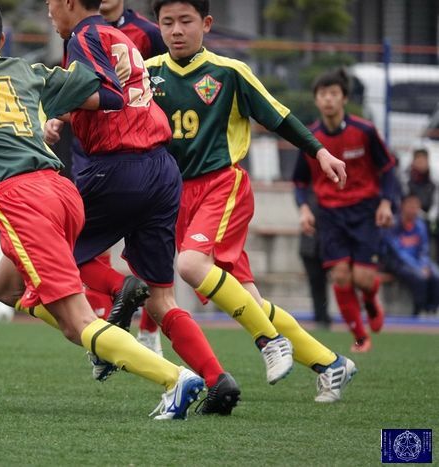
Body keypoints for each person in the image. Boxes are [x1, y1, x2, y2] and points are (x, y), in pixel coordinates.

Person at [0, 0, 206, 420]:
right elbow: (87, 84)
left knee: (76, 321)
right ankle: (100, 334)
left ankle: (174, 378)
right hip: (62, 190)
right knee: (4, 287)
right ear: (2, 41)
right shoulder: (28, 71)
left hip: (21, 199)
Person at [143, 0, 356, 402]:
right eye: (167, 22)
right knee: (250, 299)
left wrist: (320, 152)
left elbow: (277, 116)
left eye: (186, 21)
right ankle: (332, 364)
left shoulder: (229, 72)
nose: (176, 30)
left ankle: (269, 342)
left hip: (223, 185)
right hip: (177, 198)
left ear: (206, 24)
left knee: (190, 265)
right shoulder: (148, 74)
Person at [43, 0, 168, 357]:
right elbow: (125, 94)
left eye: (50, 2)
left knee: (57, 248)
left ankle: (116, 304)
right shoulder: (114, 34)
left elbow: (112, 96)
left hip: (118, 161)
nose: (48, 11)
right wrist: (63, 114)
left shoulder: (87, 36)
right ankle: (215, 378)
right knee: (164, 293)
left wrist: (52, 96)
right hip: (155, 161)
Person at [293, 68, 396, 353]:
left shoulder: (364, 131)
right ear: (316, 100)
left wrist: (387, 202)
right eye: (322, 94)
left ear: (344, 98)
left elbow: (387, 168)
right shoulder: (309, 138)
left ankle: (371, 302)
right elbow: (300, 180)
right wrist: (304, 208)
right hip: (329, 213)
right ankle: (360, 337)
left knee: (362, 279)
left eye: (334, 94)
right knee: (340, 276)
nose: (328, 99)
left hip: (364, 211)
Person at [382, 194, 439, 316]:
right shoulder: (393, 224)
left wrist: (423, 265)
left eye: (416, 206)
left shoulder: (420, 225)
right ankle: (419, 310)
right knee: (418, 277)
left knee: (435, 274)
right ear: (402, 206)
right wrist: (418, 268)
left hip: (419, 262)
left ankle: (432, 309)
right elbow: (398, 252)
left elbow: (424, 249)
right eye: (410, 205)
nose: (413, 209)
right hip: (397, 263)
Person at [298, 194, 331, 329]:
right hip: (310, 245)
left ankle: (324, 315)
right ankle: (320, 316)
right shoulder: (308, 194)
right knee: (315, 281)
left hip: (328, 243)